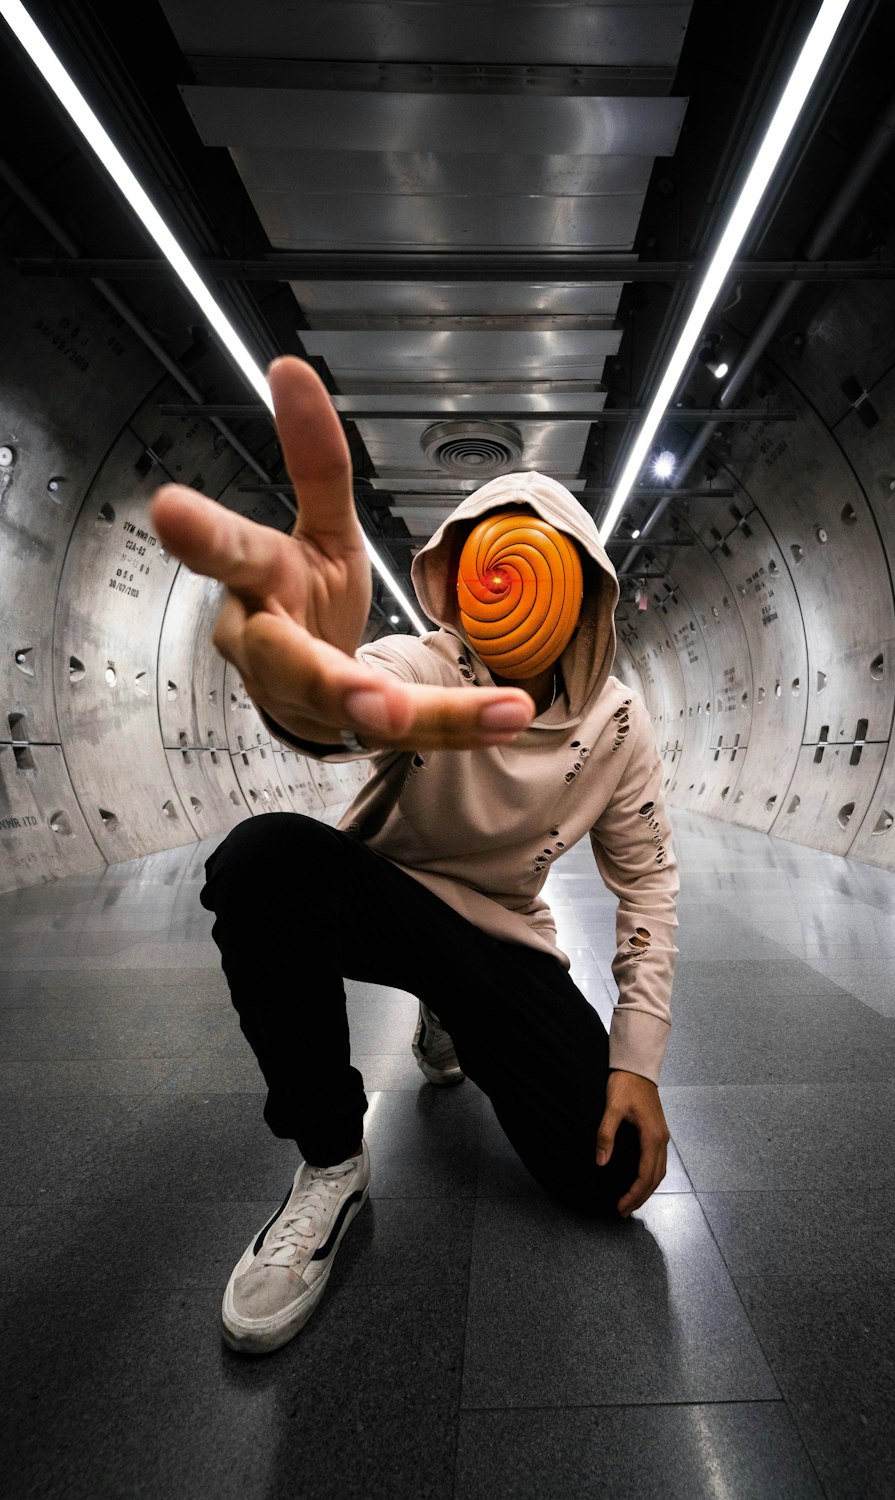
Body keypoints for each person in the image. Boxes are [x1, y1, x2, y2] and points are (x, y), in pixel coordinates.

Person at [151, 357, 679, 1355]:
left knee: (606, 1180)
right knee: (261, 860)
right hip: (386, 895)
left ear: (584, 588)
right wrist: (303, 685)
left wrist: (638, 1061)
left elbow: (647, 878)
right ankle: (330, 1170)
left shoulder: (617, 721)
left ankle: (455, 1018)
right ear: (458, 579)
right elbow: (348, 694)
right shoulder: (426, 666)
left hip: (499, 936)